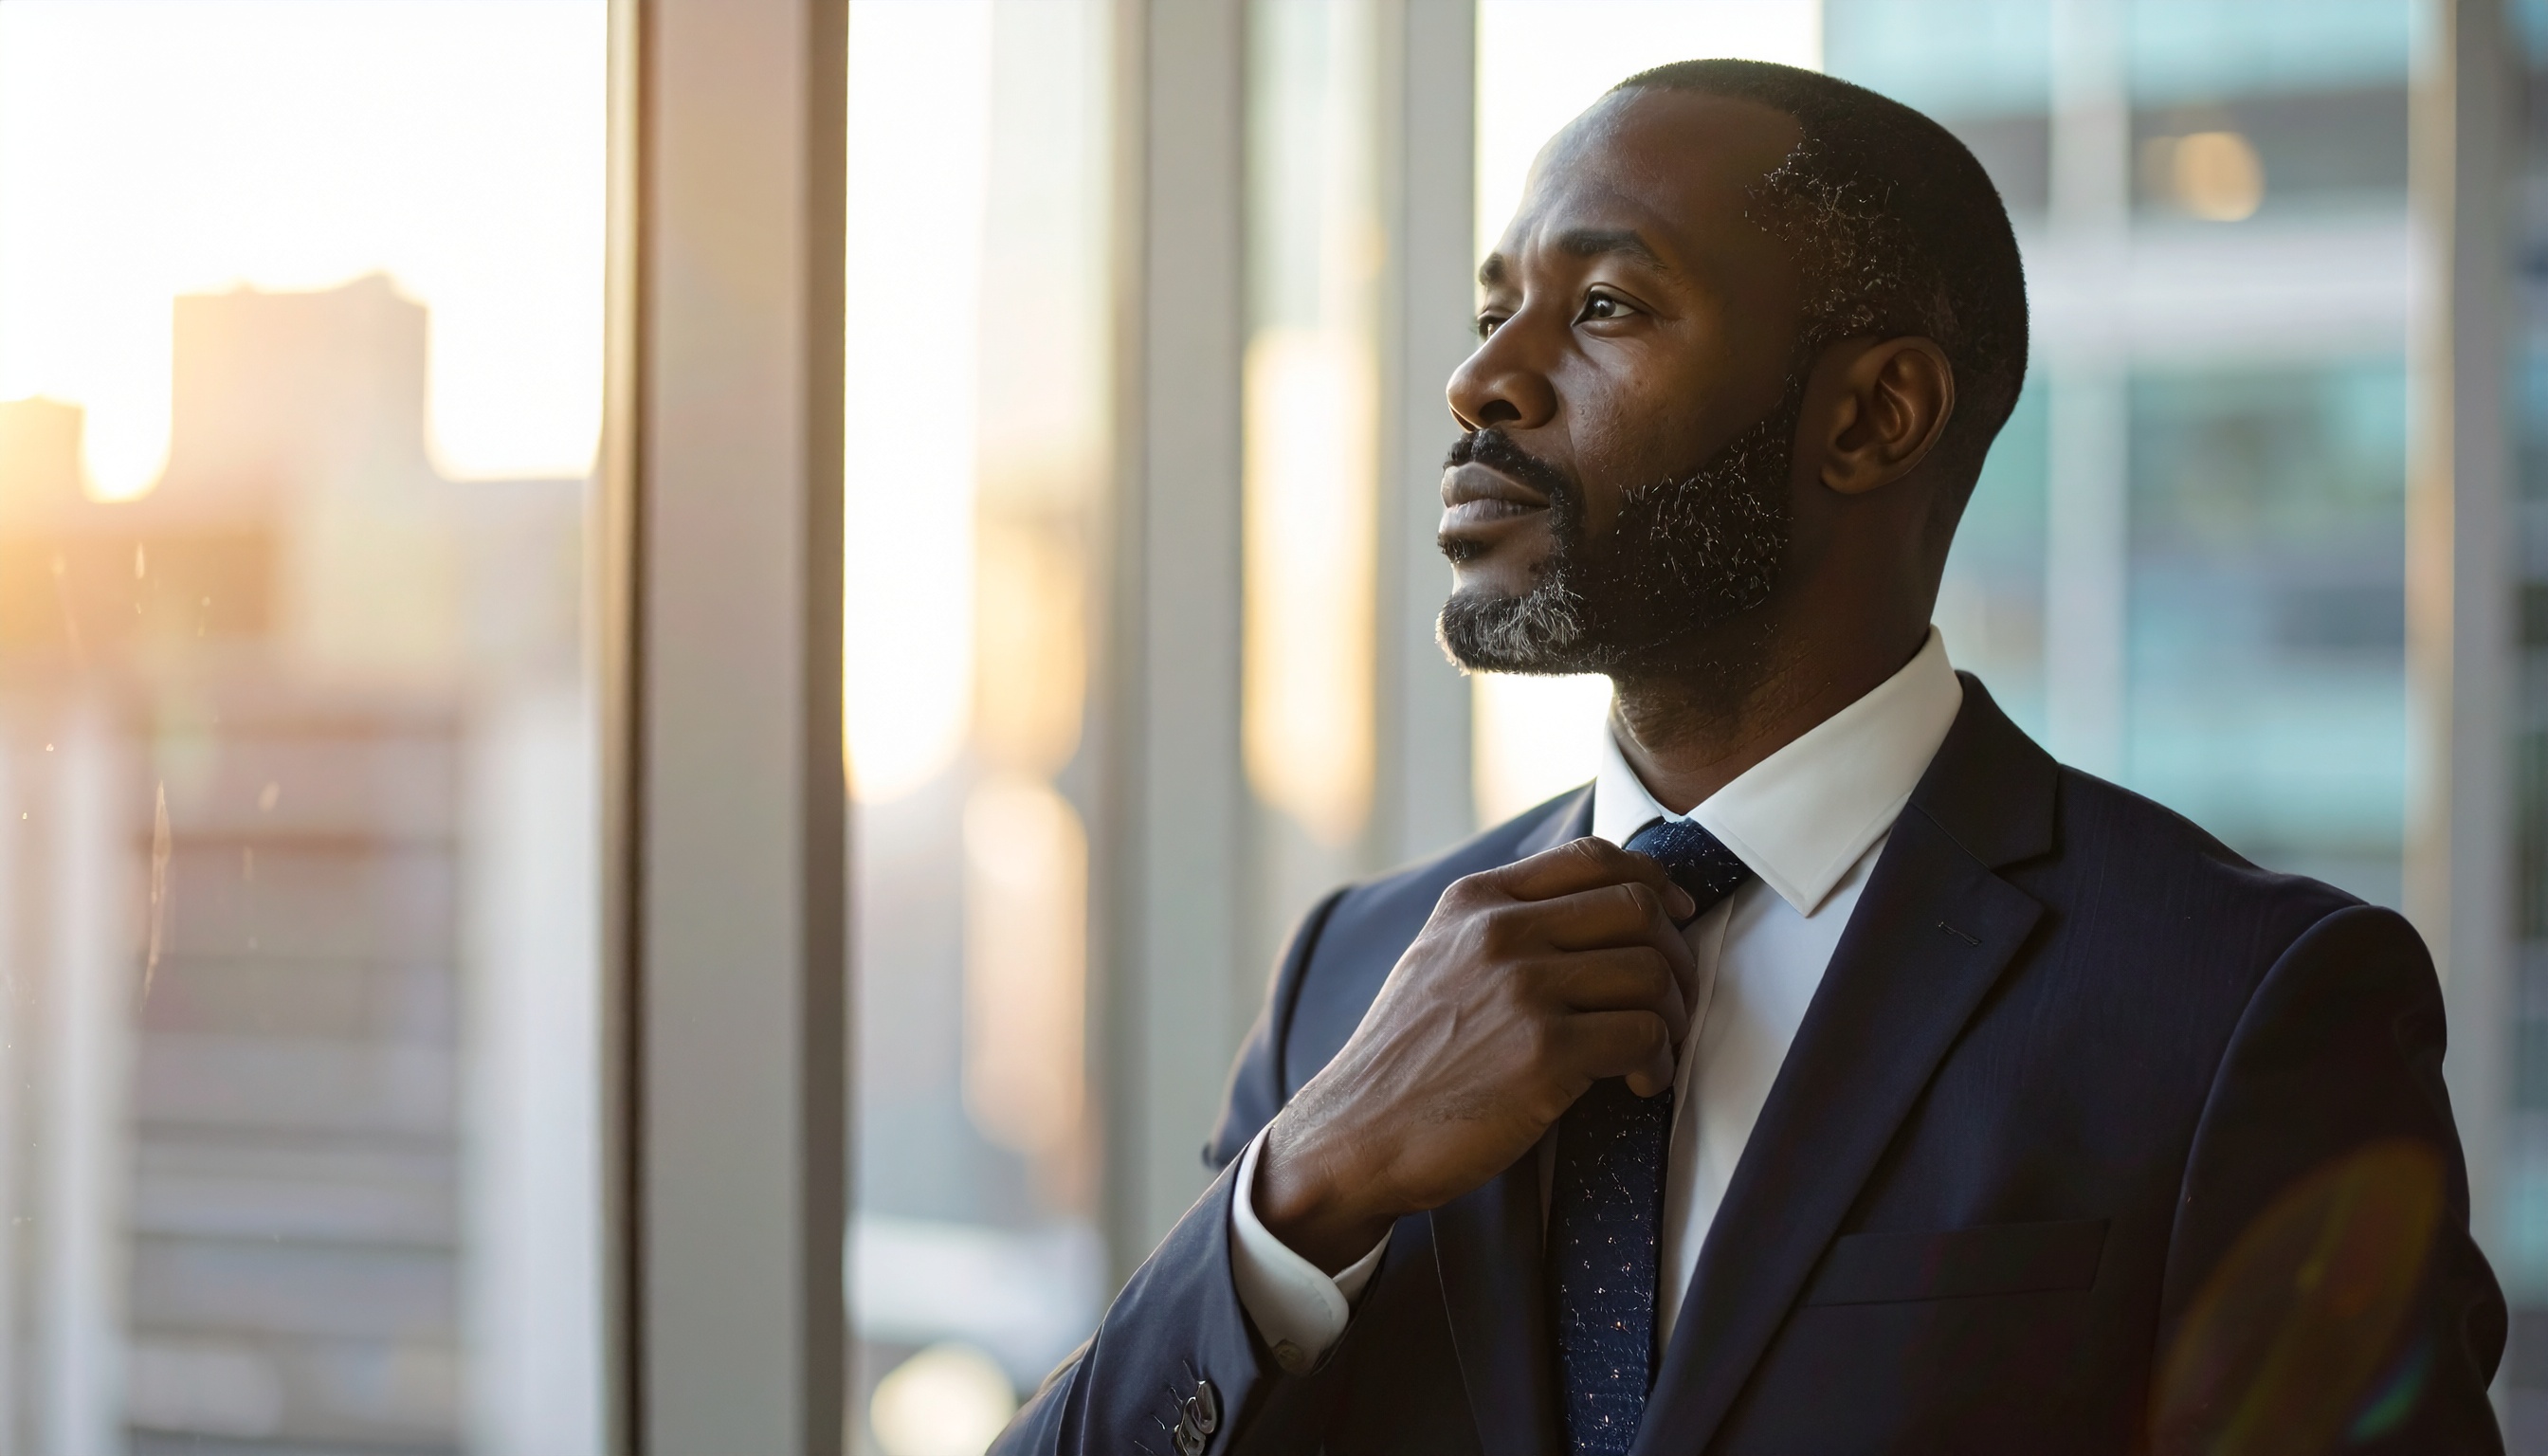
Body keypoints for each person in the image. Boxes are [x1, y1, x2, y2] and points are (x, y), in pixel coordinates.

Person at [993, 59, 2505, 1455]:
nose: (1484, 383)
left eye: (1603, 308)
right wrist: (1305, 1180)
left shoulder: (2235, 1004)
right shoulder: (1353, 975)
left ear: (1873, 415)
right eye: (1493, 305)